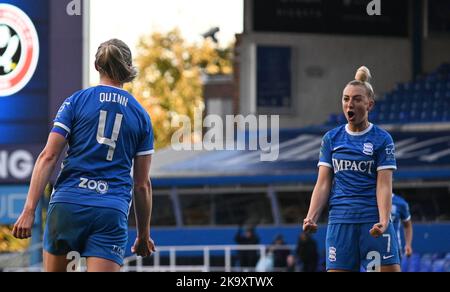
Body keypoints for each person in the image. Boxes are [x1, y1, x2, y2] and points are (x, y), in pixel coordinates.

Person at [12, 39, 155, 272]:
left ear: (97, 66)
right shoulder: (141, 116)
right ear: (129, 68)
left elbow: (49, 156)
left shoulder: (75, 102)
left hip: (68, 205)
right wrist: (143, 235)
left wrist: (29, 210)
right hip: (110, 209)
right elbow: (141, 185)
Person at [303, 66, 401, 272]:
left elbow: (384, 185)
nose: (350, 104)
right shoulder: (332, 139)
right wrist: (311, 216)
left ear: (369, 104)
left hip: (373, 222)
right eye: (346, 99)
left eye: (357, 99)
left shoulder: (382, 139)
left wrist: (384, 220)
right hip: (341, 222)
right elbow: (322, 184)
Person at [391, 193, 413, 258]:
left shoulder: (400, 203)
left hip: (394, 249)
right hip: (375, 248)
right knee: (372, 268)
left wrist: (408, 244)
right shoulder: (371, 201)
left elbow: (407, 225)